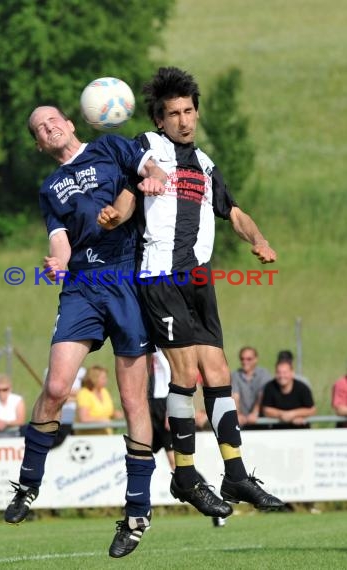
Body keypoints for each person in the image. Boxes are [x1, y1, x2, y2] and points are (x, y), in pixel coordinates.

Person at [98, 66, 284, 519]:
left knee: (217, 369)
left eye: (188, 111)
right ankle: (184, 472)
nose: (182, 119)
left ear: (196, 113)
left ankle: (235, 472)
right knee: (186, 371)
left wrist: (257, 239)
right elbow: (129, 188)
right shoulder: (147, 147)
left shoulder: (205, 165)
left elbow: (233, 211)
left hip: (198, 277)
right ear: (159, 119)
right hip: (159, 275)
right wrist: (117, 215)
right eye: (173, 113)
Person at [3, 104, 166, 559]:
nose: (48, 126)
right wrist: (56, 260)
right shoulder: (50, 187)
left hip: (124, 279)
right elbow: (59, 236)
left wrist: (151, 178)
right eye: (39, 127)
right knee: (55, 387)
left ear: (71, 124)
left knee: (134, 400)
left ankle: (137, 513)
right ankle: (28, 485)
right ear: (39, 143)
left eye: (53, 119)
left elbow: (148, 168)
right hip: (81, 286)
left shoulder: (109, 146)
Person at [149, 348, 226, 528]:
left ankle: (215, 505)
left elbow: (173, 372)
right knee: (139, 457)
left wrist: (171, 408)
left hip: (163, 405)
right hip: (147, 404)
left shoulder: (163, 343)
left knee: (178, 465)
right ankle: (139, 513)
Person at [261, 360, 316, 428]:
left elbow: (312, 410)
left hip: (301, 431)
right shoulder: (270, 387)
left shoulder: (302, 388)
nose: (281, 376)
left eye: (285, 372)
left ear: (292, 373)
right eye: (278, 372)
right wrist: (282, 415)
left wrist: (293, 414)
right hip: (278, 432)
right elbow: (266, 410)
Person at [231, 347, 272, 429]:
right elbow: (235, 396)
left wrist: (255, 413)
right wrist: (237, 414)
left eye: (249, 359)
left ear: (256, 359)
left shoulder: (264, 374)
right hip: (242, 421)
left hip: (261, 421)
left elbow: (262, 395)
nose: (245, 362)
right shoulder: (235, 375)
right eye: (242, 359)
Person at [76, 365, 123, 434]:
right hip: (89, 438)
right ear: (94, 379)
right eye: (103, 378)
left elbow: (107, 412)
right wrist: (101, 420)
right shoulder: (84, 393)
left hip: (106, 436)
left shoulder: (104, 391)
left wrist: (114, 414)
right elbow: (84, 418)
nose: (106, 380)